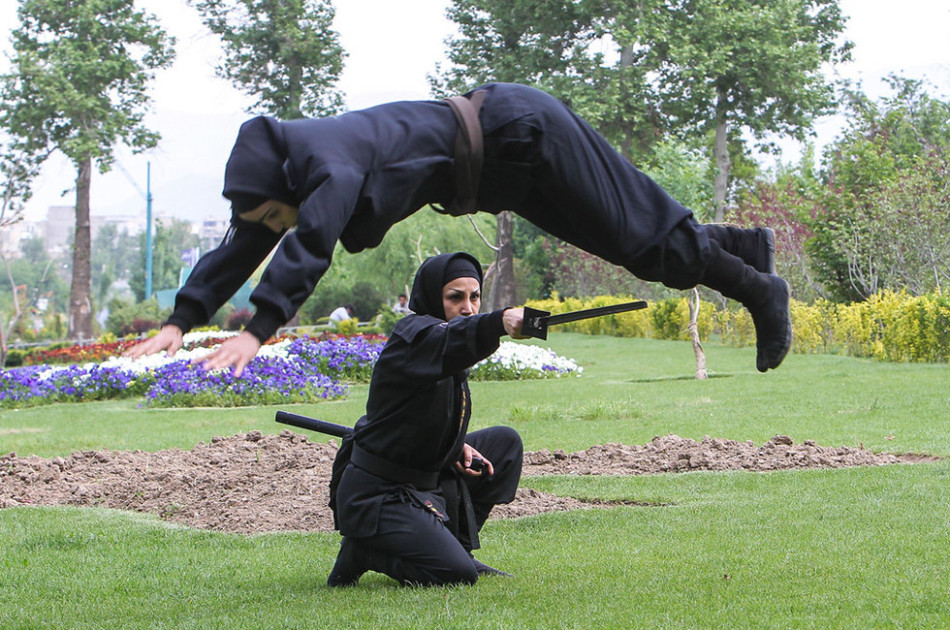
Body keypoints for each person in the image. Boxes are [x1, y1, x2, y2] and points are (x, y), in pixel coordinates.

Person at [125, 82, 790, 375]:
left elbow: (313, 237)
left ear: (285, 188)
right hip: (505, 174)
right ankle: (745, 249)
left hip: (525, 133)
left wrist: (257, 329)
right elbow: (245, 241)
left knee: (647, 241)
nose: (277, 226)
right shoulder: (288, 176)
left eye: (277, 214)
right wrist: (180, 320)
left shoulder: (327, 162)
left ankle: (759, 289)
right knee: (642, 247)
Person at [327, 252, 524, 586]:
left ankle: (458, 547)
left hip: (425, 471)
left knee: (503, 444)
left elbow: (424, 411)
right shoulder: (415, 337)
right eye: (455, 297)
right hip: (380, 492)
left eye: (475, 297)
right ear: (432, 296)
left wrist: (454, 445)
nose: (468, 308)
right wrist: (499, 321)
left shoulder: (441, 345)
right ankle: (363, 550)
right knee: (456, 576)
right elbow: (450, 342)